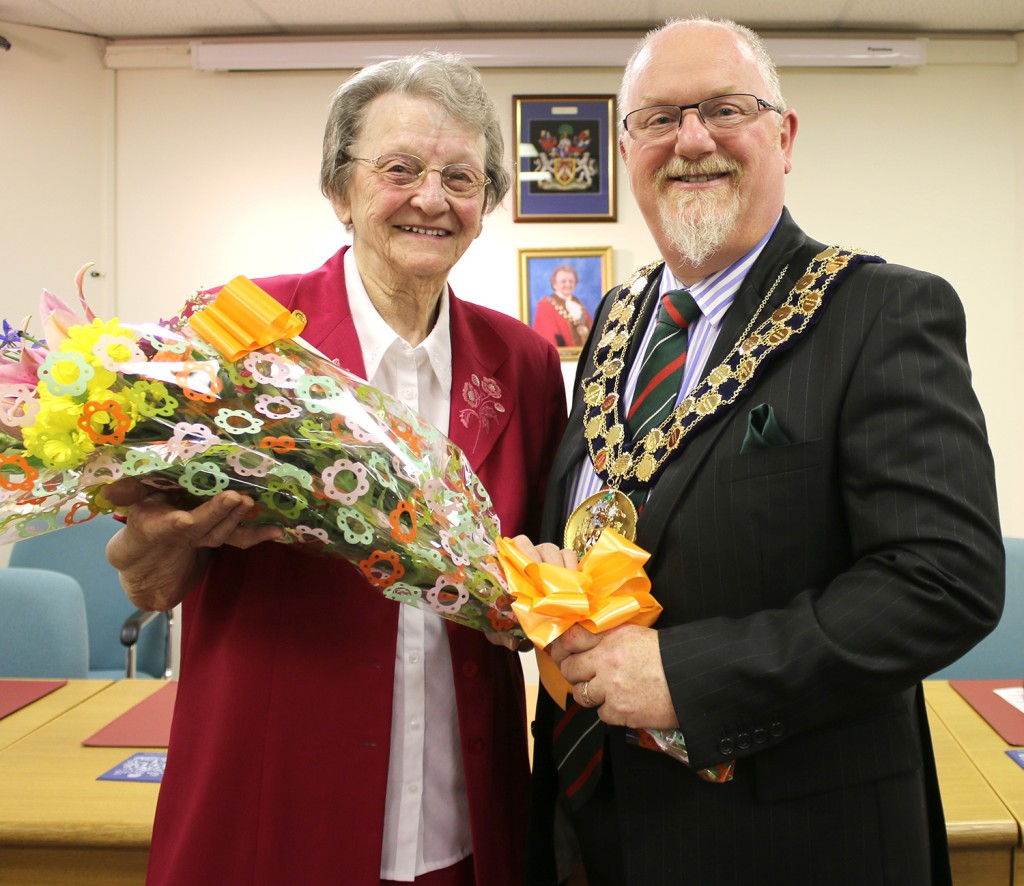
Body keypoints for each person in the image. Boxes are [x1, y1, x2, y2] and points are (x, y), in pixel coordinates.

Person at [521, 16, 1003, 886]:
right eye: (660, 117)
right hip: (590, 820)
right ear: (627, 147)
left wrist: (689, 676)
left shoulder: (883, 312)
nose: (692, 138)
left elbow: (946, 580)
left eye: (724, 108)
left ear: (783, 136)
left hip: (793, 843)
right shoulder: (613, 328)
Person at [106, 52, 567, 886]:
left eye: (460, 176)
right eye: (399, 169)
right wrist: (167, 542)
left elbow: (544, 575)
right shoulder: (241, 336)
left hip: (466, 824)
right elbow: (145, 581)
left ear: (486, 205)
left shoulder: (525, 366)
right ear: (340, 189)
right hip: (273, 813)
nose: (431, 198)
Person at [532, 264, 593, 349]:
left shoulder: (580, 306)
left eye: (571, 281)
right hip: (563, 358)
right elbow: (548, 337)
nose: (568, 284)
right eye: (563, 281)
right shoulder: (545, 306)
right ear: (554, 284)